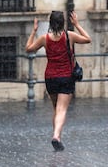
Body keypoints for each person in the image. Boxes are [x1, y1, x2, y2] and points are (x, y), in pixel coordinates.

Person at [25, 11, 91, 151]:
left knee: (56, 108)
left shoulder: (44, 39)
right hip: (66, 77)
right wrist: (77, 24)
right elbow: (87, 39)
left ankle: (58, 138)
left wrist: (33, 31)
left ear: (50, 23)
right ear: (63, 23)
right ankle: (56, 136)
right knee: (62, 109)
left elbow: (28, 49)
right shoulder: (69, 36)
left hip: (50, 78)